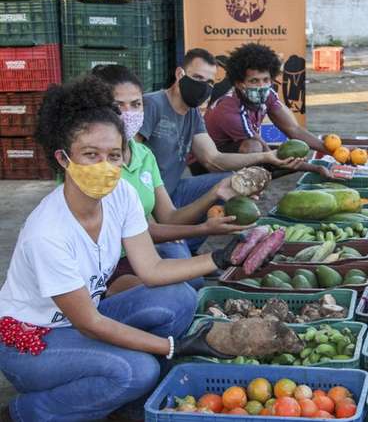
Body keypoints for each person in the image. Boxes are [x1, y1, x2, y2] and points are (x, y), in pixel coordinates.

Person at [0, 76, 239, 421]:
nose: (104, 166)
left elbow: (152, 270)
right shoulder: (48, 234)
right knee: (137, 371)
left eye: (113, 155)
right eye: (90, 154)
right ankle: (26, 411)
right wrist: (174, 347)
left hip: (79, 323)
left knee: (180, 297)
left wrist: (216, 258)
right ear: (64, 158)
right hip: (31, 343)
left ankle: (102, 386)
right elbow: (92, 324)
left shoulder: (121, 195)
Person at [91, 65, 250, 293]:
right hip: (107, 262)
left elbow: (170, 217)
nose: (129, 113)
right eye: (118, 105)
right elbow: (137, 231)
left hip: (141, 251)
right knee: (178, 294)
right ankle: (107, 297)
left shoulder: (143, 155)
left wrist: (215, 193)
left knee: (192, 284)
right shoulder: (90, 164)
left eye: (136, 104)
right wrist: (204, 230)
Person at [138, 48, 304, 253]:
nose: (202, 86)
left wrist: (265, 156)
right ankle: (172, 247)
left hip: (172, 193)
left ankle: (189, 248)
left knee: (230, 183)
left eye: (208, 82)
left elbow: (213, 159)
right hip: (148, 205)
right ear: (180, 74)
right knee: (193, 279)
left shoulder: (192, 113)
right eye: (197, 77)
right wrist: (150, 218)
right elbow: (128, 167)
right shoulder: (152, 105)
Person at [205, 42, 331, 178]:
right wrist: (315, 168)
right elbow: (264, 151)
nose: (262, 86)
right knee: (254, 148)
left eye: (266, 79)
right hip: (207, 162)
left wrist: (334, 151)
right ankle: (243, 191)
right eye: (254, 81)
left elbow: (294, 129)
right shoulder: (229, 109)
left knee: (291, 150)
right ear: (239, 83)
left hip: (237, 149)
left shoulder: (268, 94)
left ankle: (260, 176)